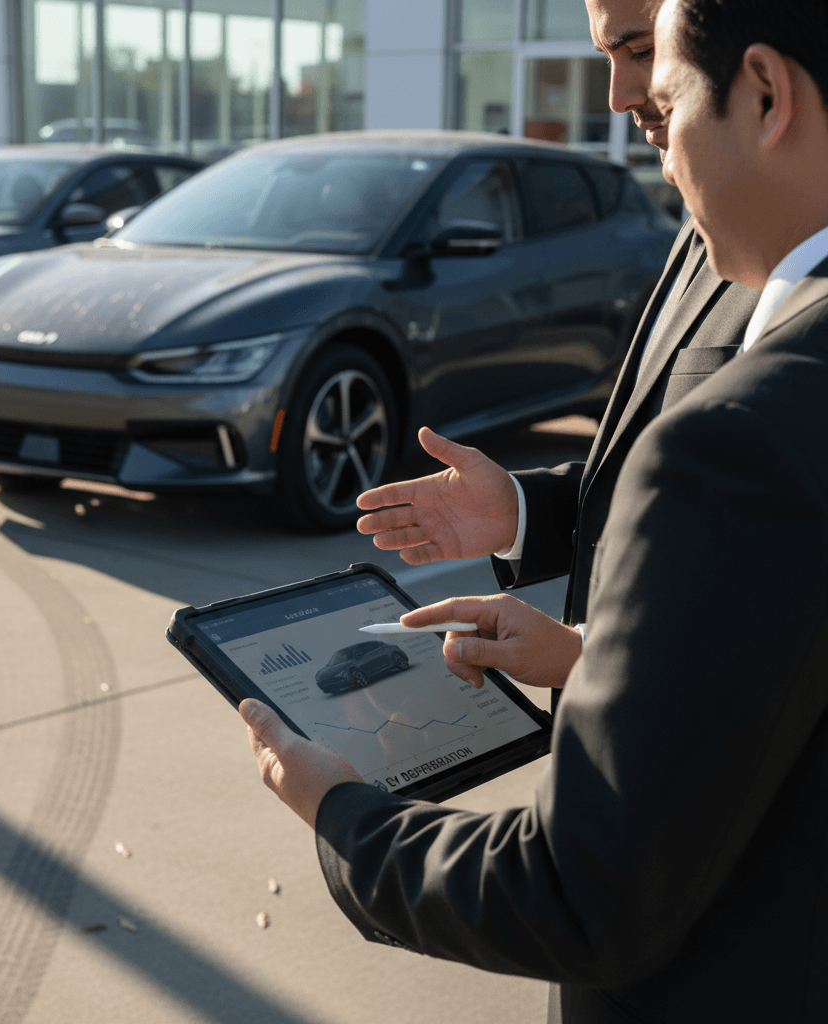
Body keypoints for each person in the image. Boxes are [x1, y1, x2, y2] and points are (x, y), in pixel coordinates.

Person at [240, 0, 828, 1020]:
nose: (629, 101)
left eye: (659, 67)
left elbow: (579, 893)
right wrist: (591, 640)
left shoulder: (738, 436)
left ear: (766, 94)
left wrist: (342, 816)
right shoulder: (722, 253)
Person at [354, 0, 762, 696]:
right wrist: (519, 509)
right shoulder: (700, 230)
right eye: (607, 58)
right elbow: (676, 486)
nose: (619, 98)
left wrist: (587, 662)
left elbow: (776, 592)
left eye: (640, 50)